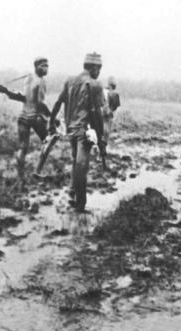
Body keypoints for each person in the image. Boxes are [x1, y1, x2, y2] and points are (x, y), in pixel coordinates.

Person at [49, 52, 104, 212]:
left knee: (76, 161)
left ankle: (72, 194)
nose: (99, 72)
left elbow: (58, 102)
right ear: (93, 67)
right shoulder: (95, 85)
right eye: (98, 68)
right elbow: (98, 114)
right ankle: (80, 204)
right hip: (84, 131)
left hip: (70, 129)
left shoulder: (69, 81)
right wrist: (100, 138)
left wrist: (51, 122)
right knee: (82, 165)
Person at [0, 57, 58, 183]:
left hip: (23, 117)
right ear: (37, 66)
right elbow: (40, 103)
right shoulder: (41, 81)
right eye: (44, 66)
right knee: (49, 140)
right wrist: (52, 118)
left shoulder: (29, 78)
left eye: (47, 66)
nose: (46, 68)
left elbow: (24, 98)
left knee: (23, 148)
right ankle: (38, 171)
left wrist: (6, 91)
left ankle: (20, 177)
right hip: (35, 118)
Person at [100, 76, 121, 170]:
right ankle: (103, 162)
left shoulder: (102, 91)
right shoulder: (115, 94)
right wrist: (111, 111)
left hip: (98, 116)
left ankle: (100, 157)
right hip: (107, 117)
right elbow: (115, 107)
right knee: (105, 137)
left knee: (99, 136)